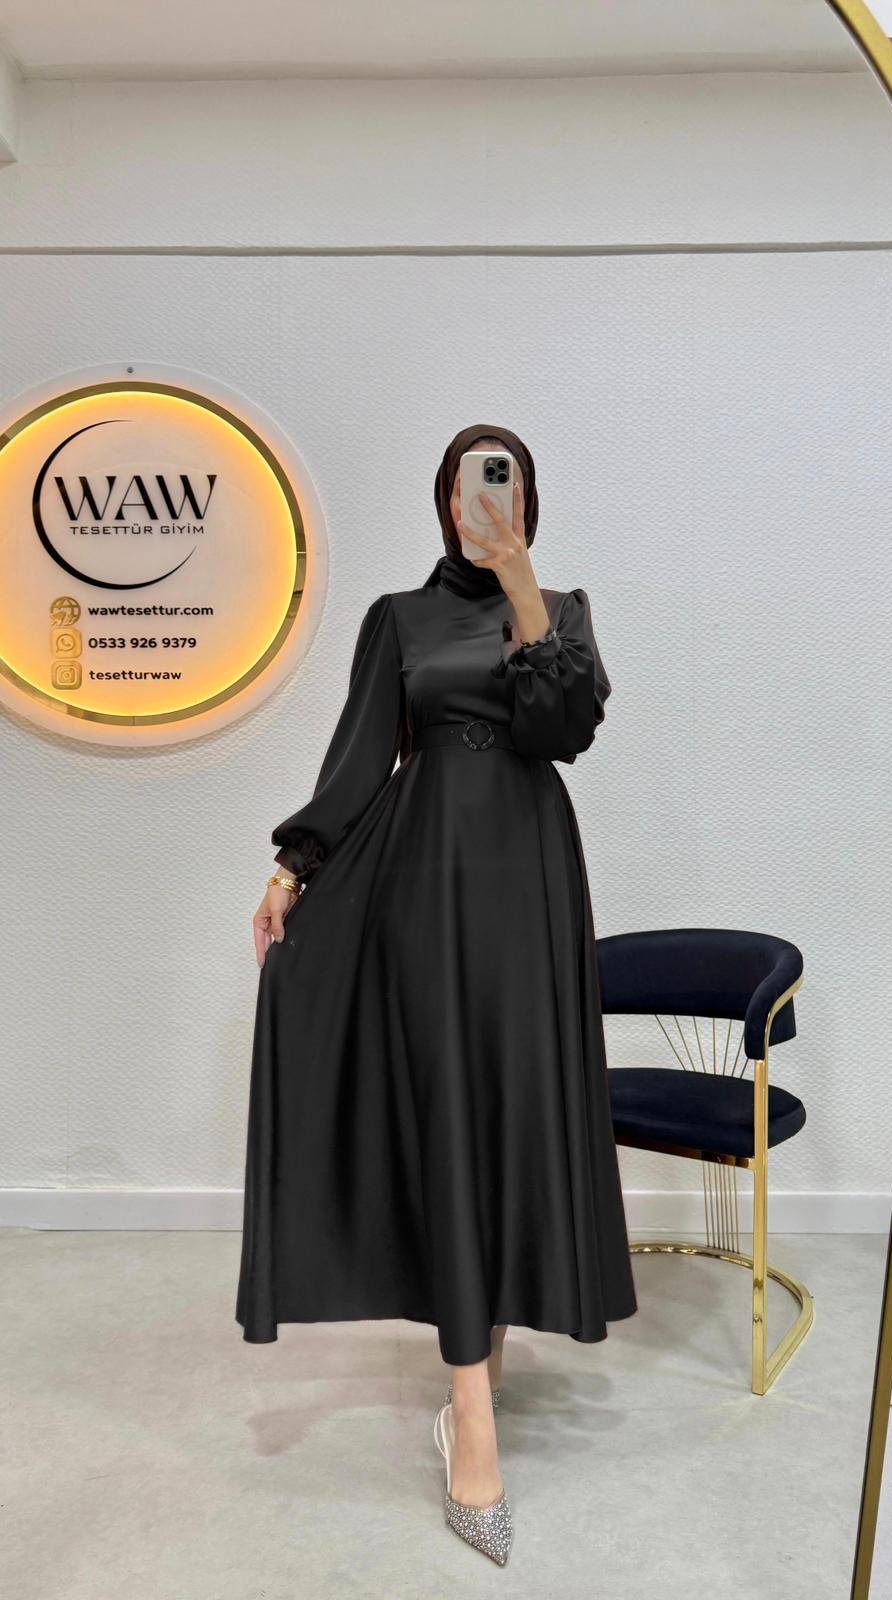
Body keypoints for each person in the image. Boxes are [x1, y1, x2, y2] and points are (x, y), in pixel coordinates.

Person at [236, 422, 638, 1566]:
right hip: (423, 889)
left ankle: (482, 1348)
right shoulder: (398, 620)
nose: (481, 503)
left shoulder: (560, 611)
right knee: (452, 1115)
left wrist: (522, 584)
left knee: (511, 1116)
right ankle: (470, 1412)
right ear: (442, 501)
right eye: (466, 487)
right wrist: (292, 871)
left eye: (500, 485)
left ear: (528, 501)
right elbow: (361, 757)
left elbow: (565, 727)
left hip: (530, 891)